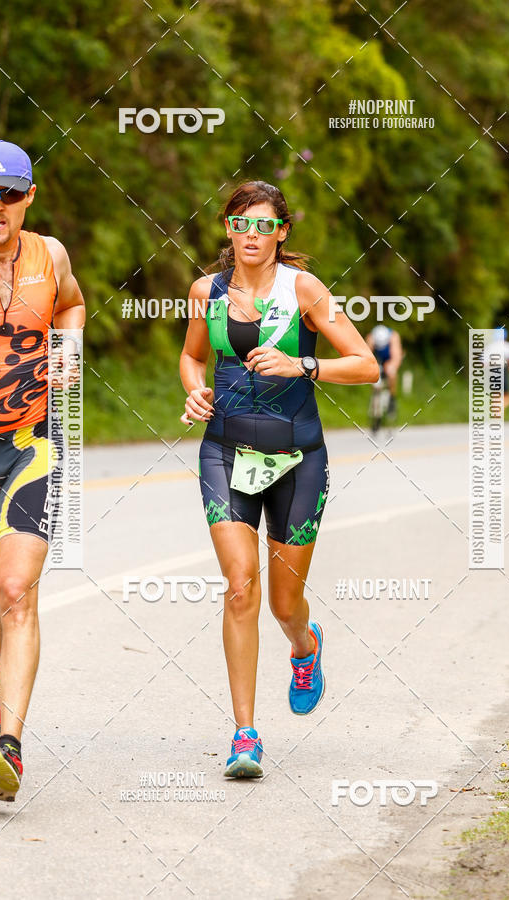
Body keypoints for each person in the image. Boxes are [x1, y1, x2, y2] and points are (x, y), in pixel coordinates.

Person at [179, 181, 379, 778]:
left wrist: (303, 364)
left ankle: (304, 646)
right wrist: (195, 391)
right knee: (240, 586)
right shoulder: (206, 292)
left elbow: (366, 365)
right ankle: (245, 734)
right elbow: (192, 357)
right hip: (225, 453)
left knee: (283, 603)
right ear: (228, 228)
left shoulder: (305, 290)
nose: (252, 235)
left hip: (299, 459)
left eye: (264, 225)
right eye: (241, 223)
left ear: (282, 232)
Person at [0, 140, 85, 801]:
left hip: (31, 442)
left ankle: (9, 748)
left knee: (15, 589)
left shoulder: (51, 256)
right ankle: (0, 662)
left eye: (9, 194)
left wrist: (67, 351)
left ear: (29, 198)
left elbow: (71, 304)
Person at [365, 324, 403, 416]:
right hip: (377, 359)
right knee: (373, 378)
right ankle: (375, 407)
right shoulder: (370, 338)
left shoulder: (394, 337)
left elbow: (396, 358)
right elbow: (366, 357)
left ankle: (392, 398)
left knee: (391, 372)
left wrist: (392, 367)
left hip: (389, 358)